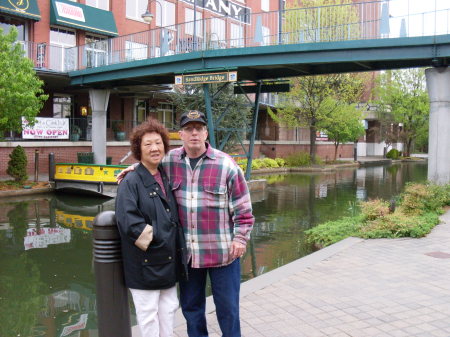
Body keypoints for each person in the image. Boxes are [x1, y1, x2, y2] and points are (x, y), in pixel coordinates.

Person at [118, 110, 254, 337]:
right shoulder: (170, 161)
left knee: (228, 310)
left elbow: (244, 210)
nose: (194, 133)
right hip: (188, 256)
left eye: (198, 128)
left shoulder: (226, 165)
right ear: (180, 134)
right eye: (188, 129)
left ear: (205, 132)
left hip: (223, 254)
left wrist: (240, 239)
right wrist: (133, 169)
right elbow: (149, 167)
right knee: (192, 310)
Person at [115, 119, 187, 337]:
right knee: (147, 314)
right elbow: (129, 223)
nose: (154, 148)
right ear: (138, 149)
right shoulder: (131, 182)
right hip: (145, 263)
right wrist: (161, 239)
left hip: (167, 260)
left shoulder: (164, 174)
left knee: (168, 308)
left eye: (158, 143)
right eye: (148, 144)